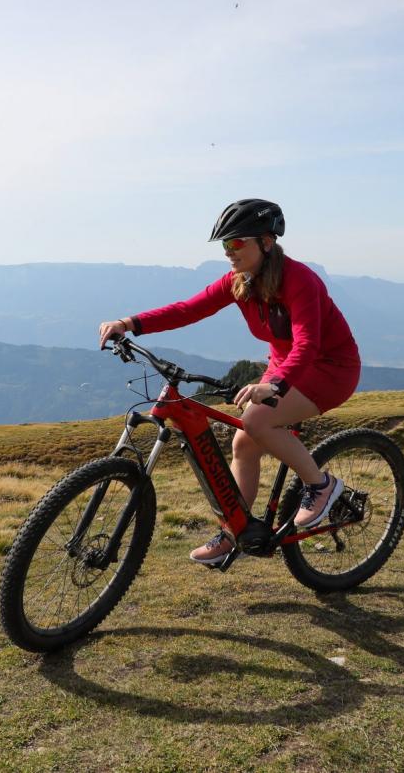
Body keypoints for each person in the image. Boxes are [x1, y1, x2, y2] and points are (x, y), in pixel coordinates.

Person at [99, 199, 361, 565]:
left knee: (256, 420)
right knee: (244, 440)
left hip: (330, 368)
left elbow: (308, 343)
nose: (229, 252)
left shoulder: (300, 280)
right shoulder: (239, 282)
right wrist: (130, 323)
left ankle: (321, 487)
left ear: (267, 242)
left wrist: (276, 385)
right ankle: (234, 532)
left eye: (237, 243)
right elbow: (189, 309)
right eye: (225, 245)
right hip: (286, 366)